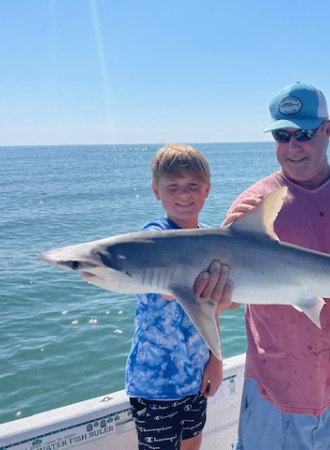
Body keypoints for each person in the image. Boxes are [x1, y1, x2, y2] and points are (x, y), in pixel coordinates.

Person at [201, 82, 330, 449]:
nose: (292, 146)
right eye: (282, 135)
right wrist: (216, 280)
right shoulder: (252, 205)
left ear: (328, 129)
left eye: (304, 134)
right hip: (273, 385)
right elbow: (228, 300)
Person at [127, 143, 223, 450]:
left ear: (207, 190)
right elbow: (170, 289)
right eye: (173, 187)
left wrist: (216, 361)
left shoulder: (212, 240)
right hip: (154, 385)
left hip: (196, 377)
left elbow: (211, 310)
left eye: (193, 186)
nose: (184, 195)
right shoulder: (152, 236)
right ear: (156, 191)